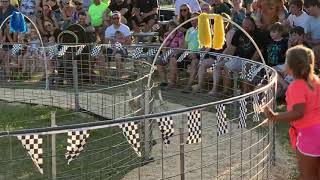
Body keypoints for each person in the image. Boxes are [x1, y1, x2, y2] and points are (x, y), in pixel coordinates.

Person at [264, 45, 320, 180]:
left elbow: (298, 112)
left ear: (291, 66)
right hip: (317, 129)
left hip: (309, 134)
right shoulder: (316, 81)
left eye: (286, 61)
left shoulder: (296, 86)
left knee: (307, 175)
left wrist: (274, 116)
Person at [157, 20, 184, 88]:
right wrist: (163, 54)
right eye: (170, 27)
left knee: (172, 61)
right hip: (167, 51)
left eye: (173, 27)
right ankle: (164, 81)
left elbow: (181, 46)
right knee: (158, 62)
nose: (171, 28)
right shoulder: (166, 34)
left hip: (176, 51)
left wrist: (174, 52)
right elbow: (164, 46)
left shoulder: (180, 34)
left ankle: (172, 82)